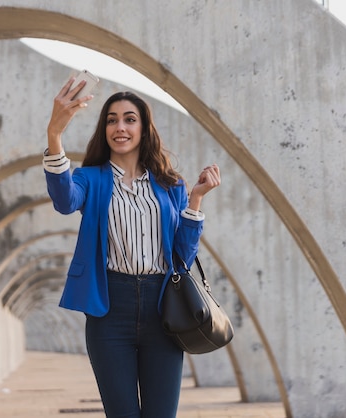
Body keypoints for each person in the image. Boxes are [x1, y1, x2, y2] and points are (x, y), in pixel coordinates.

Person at [43, 77, 221, 418]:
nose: (119, 127)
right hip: (110, 309)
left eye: (129, 119)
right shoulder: (90, 178)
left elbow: (183, 255)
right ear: (104, 128)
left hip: (162, 309)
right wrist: (55, 134)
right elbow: (65, 201)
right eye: (111, 119)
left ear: (144, 128)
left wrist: (195, 200)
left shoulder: (171, 185)